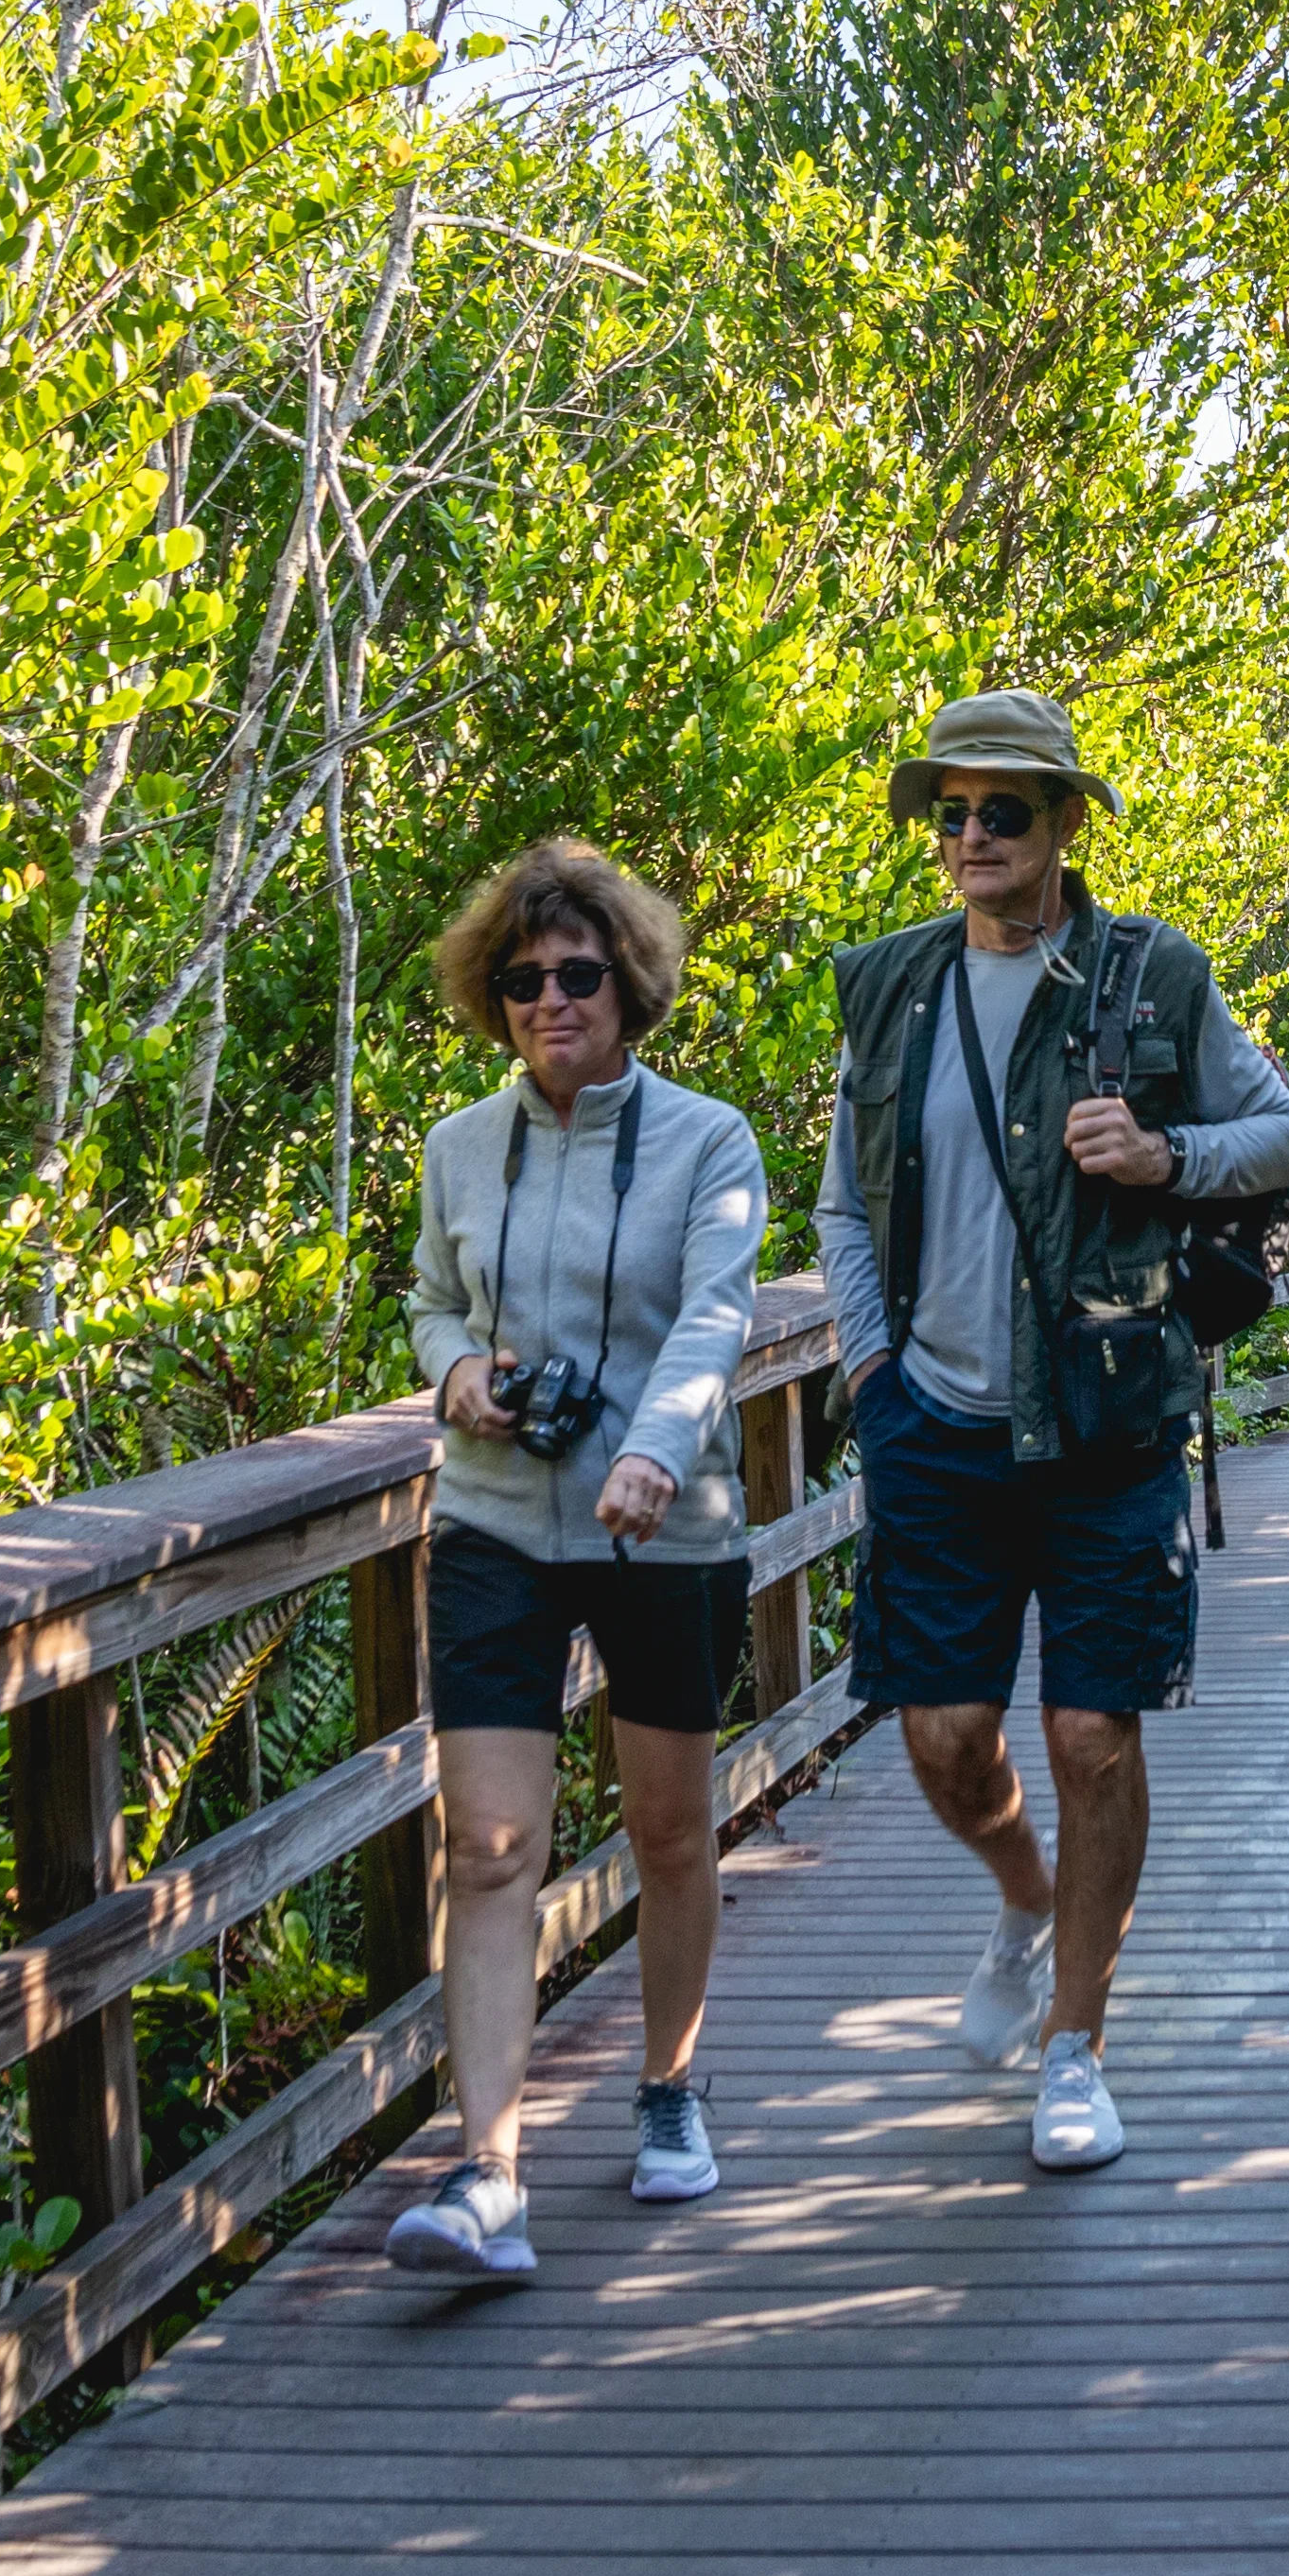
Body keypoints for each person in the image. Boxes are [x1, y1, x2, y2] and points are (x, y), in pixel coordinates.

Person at [812, 691, 1289, 2172]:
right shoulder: (892, 990)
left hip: (1107, 1419)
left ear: (1065, 825)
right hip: (937, 1426)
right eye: (950, 814)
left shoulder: (1151, 974)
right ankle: (1022, 1902)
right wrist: (868, 1367)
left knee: (1092, 1734)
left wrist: (1170, 1156)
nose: (970, 838)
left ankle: (1077, 2045)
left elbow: (1287, 1133)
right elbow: (847, 1203)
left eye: (1003, 812)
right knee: (946, 1736)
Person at [378, 836, 772, 2282]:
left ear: (630, 987)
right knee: (487, 1851)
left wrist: (656, 1447)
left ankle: (669, 2086)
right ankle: (489, 2172)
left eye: (580, 976)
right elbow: (430, 1302)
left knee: (669, 1831)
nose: (553, 1002)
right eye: (525, 980)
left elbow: (714, 1319)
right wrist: (455, 1376)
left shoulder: (709, 1141)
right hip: (492, 1515)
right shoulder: (458, 1149)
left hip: (661, 1524)